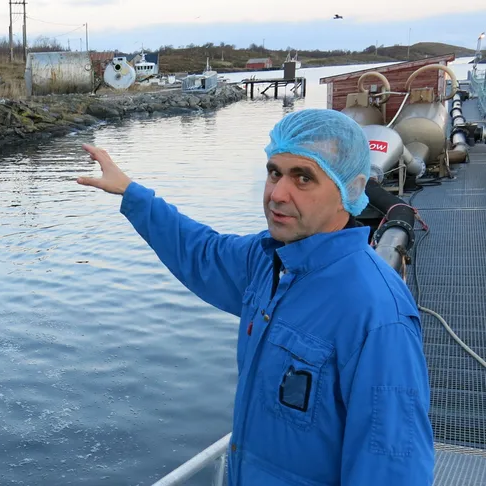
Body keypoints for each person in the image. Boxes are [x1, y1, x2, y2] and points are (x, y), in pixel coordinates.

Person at [77, 109, 435, 485]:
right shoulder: (269, 262)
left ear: (352, 190)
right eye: (274, 172)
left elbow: (394, 467)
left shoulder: (377, 314)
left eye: (303, 178)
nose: (277, 194)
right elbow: (200, 251)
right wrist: (133, 195)